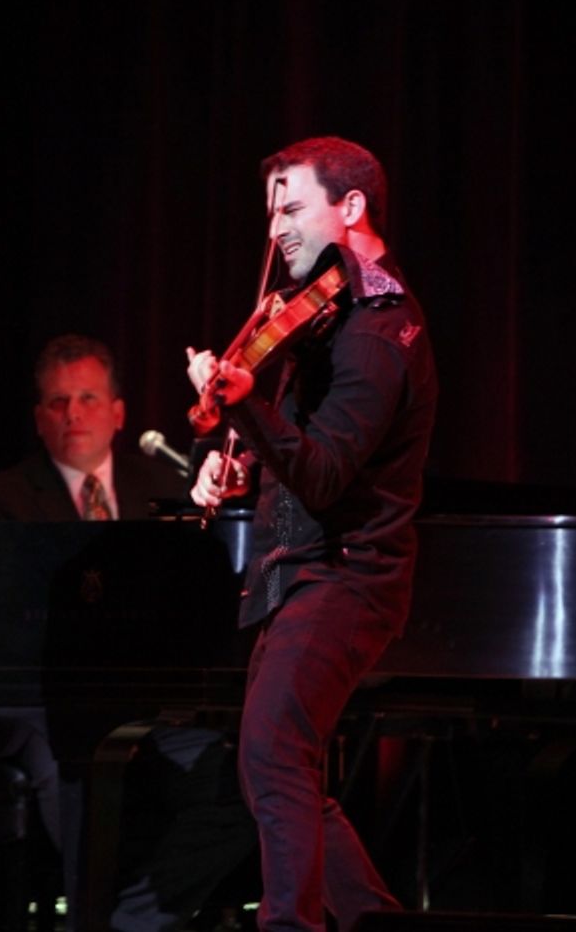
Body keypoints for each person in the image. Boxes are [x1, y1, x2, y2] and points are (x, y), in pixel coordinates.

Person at [187, 136, 438, 931]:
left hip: (348, 576)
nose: (276, 230)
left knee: (271, 757)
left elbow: (327, 474)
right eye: (273, 211)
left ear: (351, 207)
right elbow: (294, 450)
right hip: (300, 571)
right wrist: (230, 462)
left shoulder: (376, 328)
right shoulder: (325, 315)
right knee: (281, 773)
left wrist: (244, 404)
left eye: (292, 208)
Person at [0, 333, 257, 932]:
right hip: (38, 707)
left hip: (141, 708)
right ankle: (90, 914)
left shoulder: (167, 488)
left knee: (242, 781)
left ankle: (127, 922)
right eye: (57, 402)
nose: (73, 413)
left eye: (89, 398)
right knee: (72, 764)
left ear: (119, 413)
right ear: (38, 418)